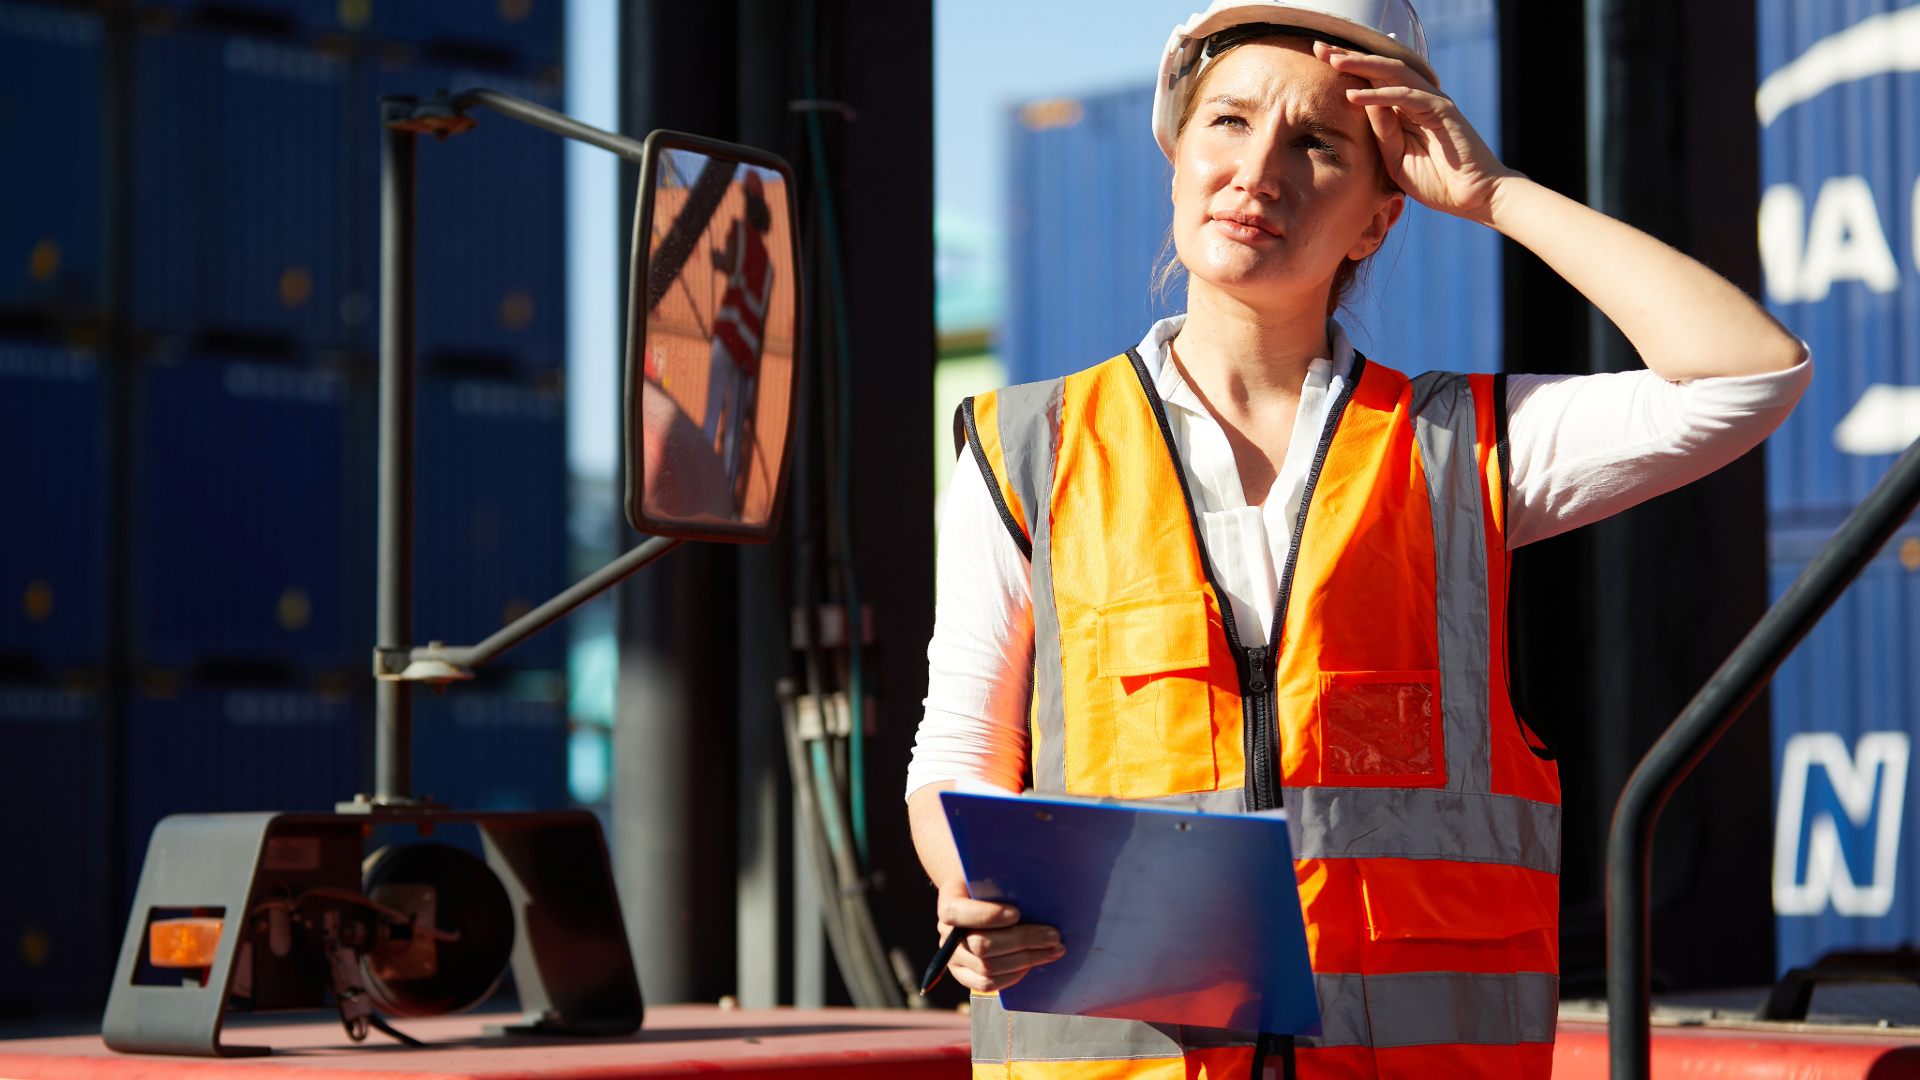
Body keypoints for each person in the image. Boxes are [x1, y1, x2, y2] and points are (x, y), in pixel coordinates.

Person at [905, 1, 1811, 1077]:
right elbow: (960, 752)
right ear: (1176, 156)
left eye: (1317, 145)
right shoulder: (1027, 451)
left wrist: (1498, 195)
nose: (1258, 171)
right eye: (1228, 124)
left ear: (1383, 215)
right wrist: (970, 892)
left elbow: (1751, 373)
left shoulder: (1466, 449)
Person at [705, 170, 776, 492]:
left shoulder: (739, 231)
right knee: (733, 428)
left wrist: (717, 259)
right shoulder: (771, 266)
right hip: (746, 353)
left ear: (747, 202)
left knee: (711, 413)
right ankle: (724, 492)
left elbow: (730, 263)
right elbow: (761, 321)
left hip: (725, 338)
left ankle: (701, 484)